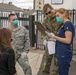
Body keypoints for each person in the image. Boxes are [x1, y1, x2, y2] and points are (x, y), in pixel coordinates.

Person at [45, 8, 75, 75]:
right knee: (61, 71)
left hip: (64, 52)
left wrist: (54, 36)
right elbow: (62, 39)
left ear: (64, 14)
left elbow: (68, 40)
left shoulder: (68, 24)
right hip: (61, 52)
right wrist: (52, 39)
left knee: (63, 72)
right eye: (56, 16)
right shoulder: (64, 25)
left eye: (58, 16)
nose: (57, 18)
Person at [37, 3, 63, 75]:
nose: (48, 14)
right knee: (46, 62)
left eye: (49, 12)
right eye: (46, 13)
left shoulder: (58, 17)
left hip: (58, 42)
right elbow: (42, 30)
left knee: (57, 62)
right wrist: (44, 38)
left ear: (52, 9)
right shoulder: (46, 20)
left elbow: (65, 28)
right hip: (50, 43)